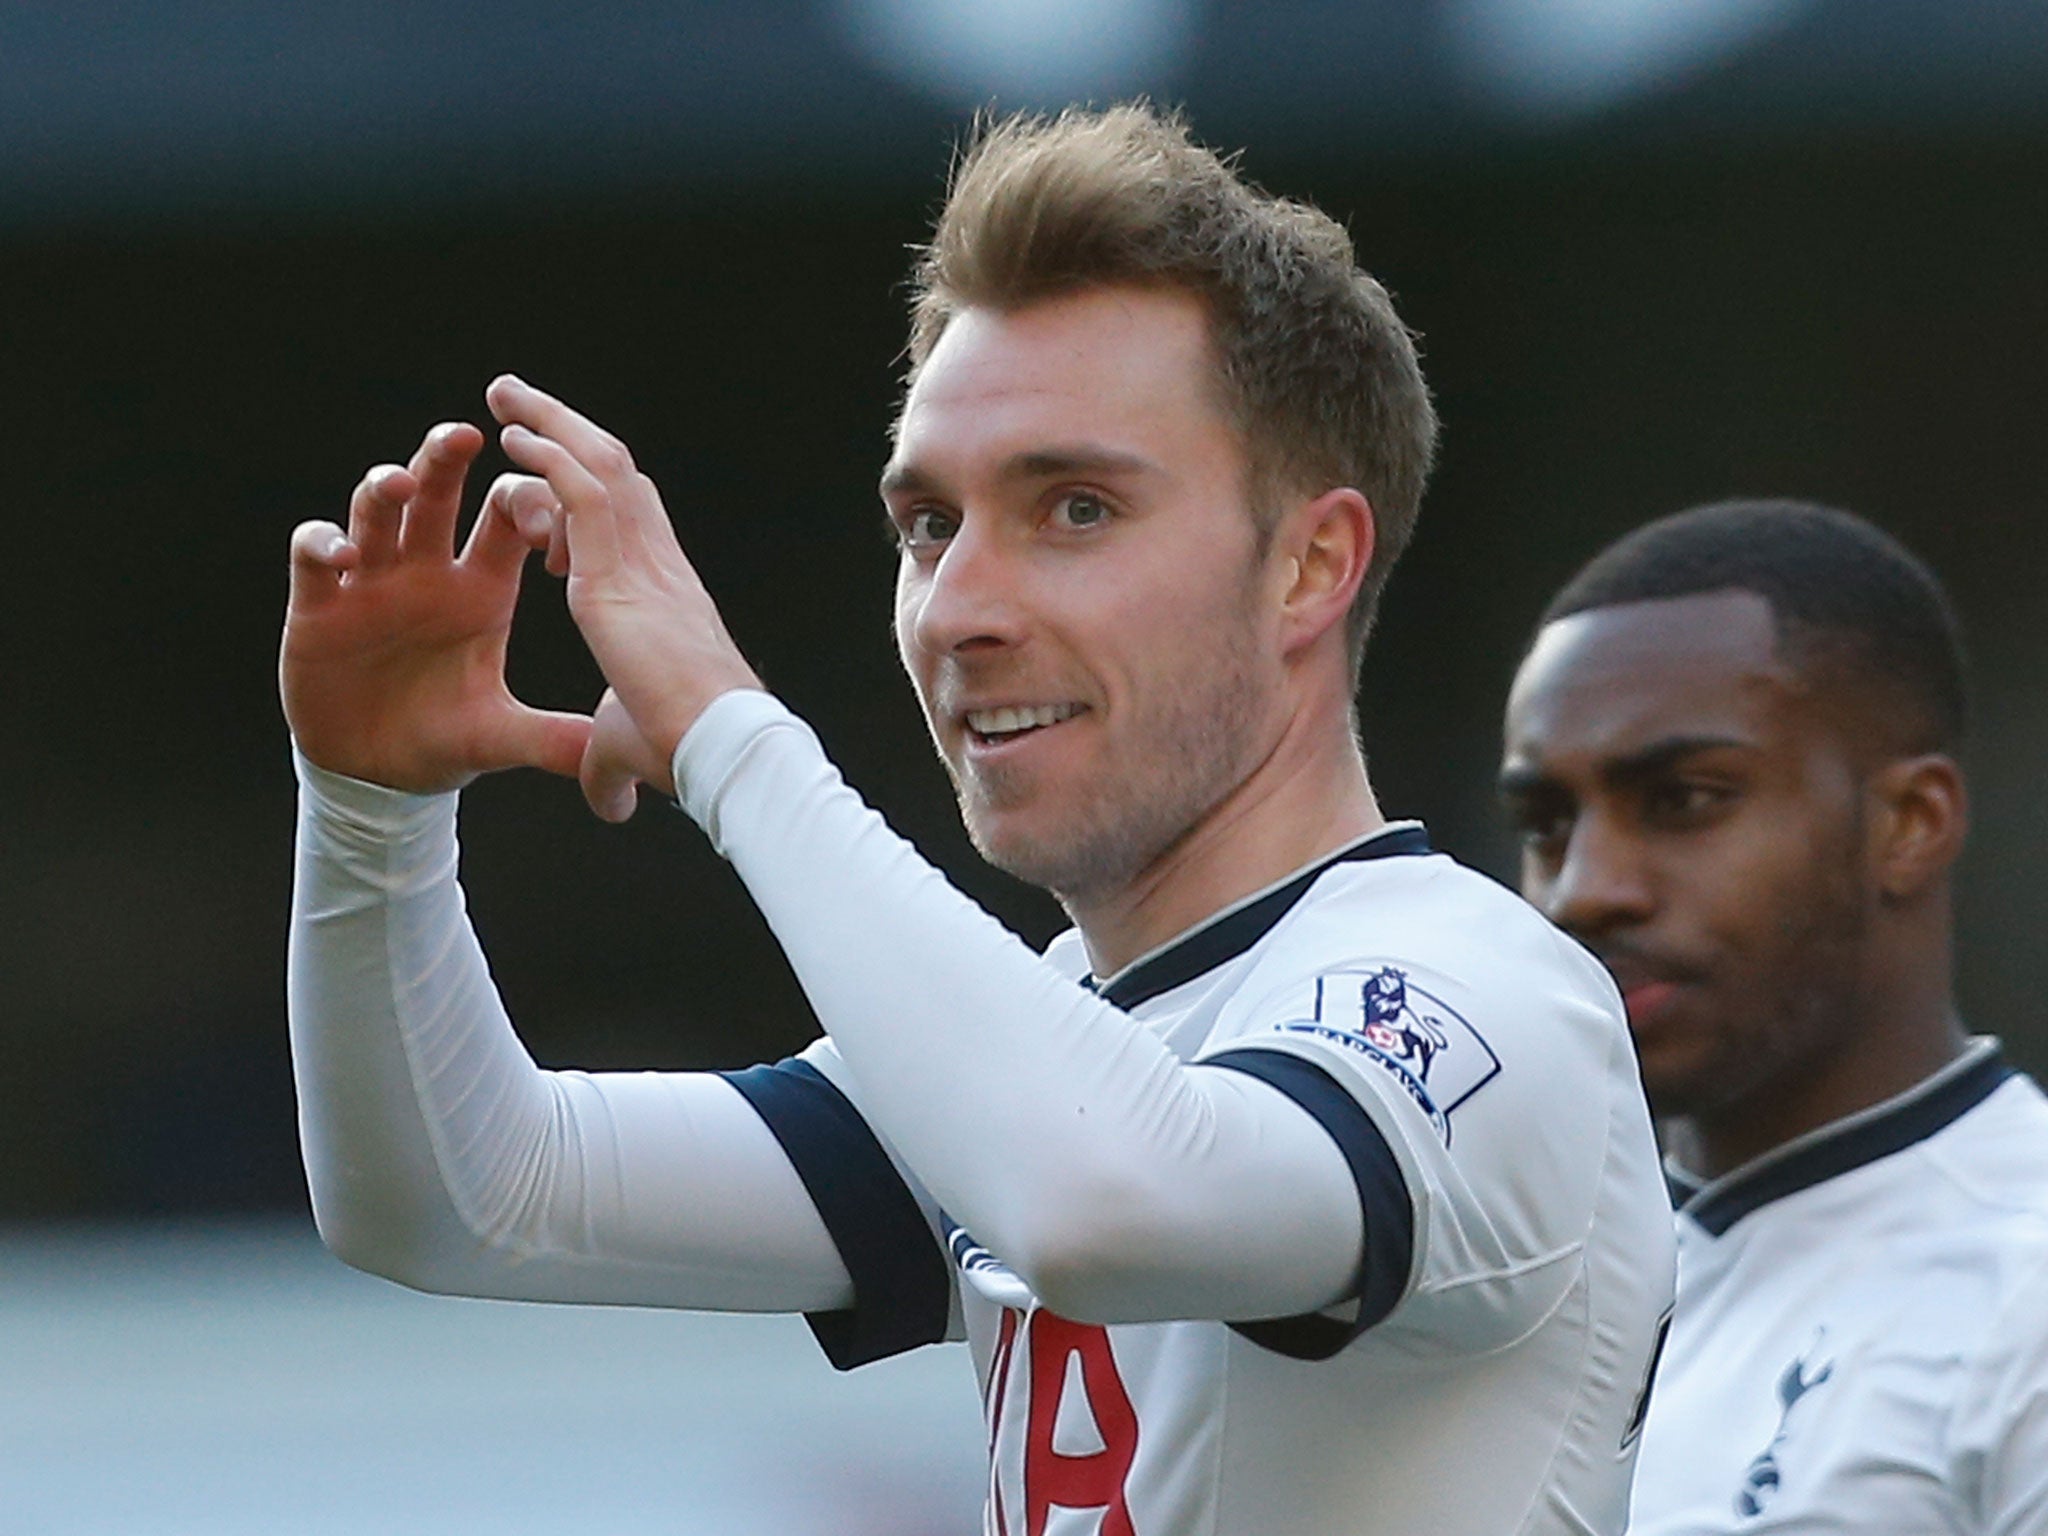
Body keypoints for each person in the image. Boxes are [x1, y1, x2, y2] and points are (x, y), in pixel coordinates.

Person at [283, 105, 1673, 1534]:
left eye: (1074, 509)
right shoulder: (1038, 1055)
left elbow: (1096, 1205)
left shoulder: (1479, 1000)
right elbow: (460, 1200)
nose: (958, 610)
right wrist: (372, 817)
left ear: (1310, 565)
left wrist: (731, 740)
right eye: (929, 525)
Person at [1499, 499, 2048, 1532]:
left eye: (1685, 798)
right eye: (1545, 824)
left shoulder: (2023, 1284)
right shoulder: (1496, 1298)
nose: (1582, 889)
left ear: (1908, 826)